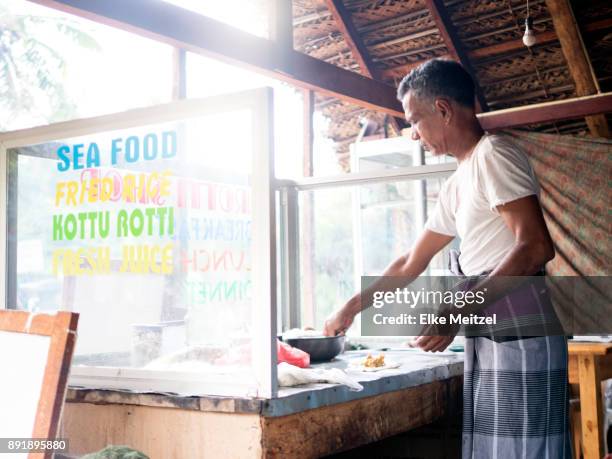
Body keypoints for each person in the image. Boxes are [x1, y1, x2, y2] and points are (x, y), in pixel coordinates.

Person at [323, 59, 571, 458]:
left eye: (414, 120)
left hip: (520, 330)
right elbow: (410, 262)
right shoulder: (459, 180)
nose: (412, 135)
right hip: (493, 331)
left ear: (442, 109)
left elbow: (535, 247)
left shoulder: (494, 154)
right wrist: (350, 308)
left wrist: (456, 309)